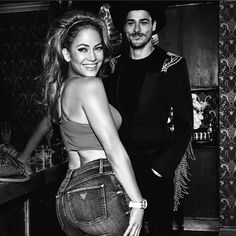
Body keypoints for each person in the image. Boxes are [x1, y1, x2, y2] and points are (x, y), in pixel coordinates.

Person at [37, 9, 146, 236]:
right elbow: (113, 148)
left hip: (68, 195)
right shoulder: (90, 86)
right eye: (83, 49)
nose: (93, 57)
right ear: (67, 54)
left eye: (97, 48)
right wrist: (138, 202)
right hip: (98, 190)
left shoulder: (61, 90)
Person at [108, 2, 193, 236]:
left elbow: (185, 126)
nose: (137, 29)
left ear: (153, 25)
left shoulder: (173, 65)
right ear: (124, 28)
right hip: (122, 169)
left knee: (158, 231)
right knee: (124, 231)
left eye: (143, 22)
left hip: (157, 167)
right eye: (130, 22)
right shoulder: (113, 66)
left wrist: (160, 169)